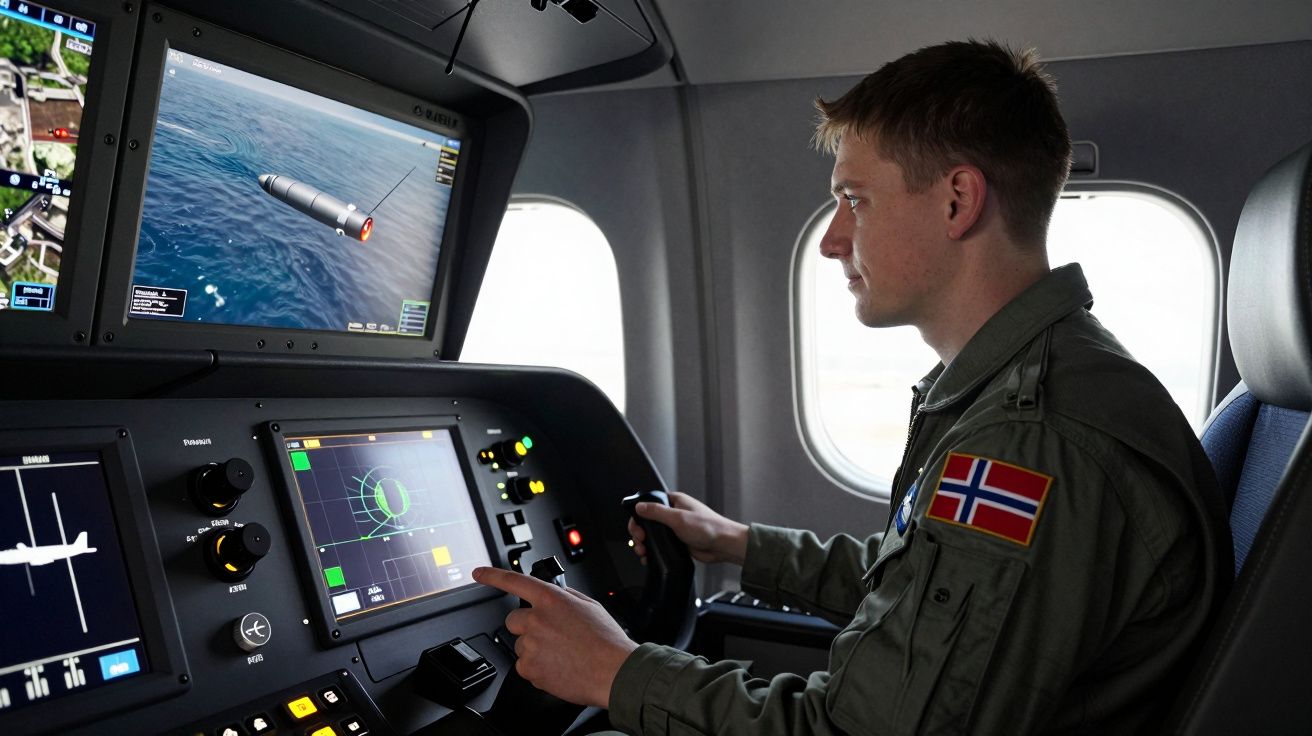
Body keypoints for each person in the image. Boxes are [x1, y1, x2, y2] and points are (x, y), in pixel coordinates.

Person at [473, 39, 1231, 734]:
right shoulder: (1030, 386)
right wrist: (740, 546)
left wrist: (616, 671)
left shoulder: (1031, 441)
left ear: (958, 201)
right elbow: (929, 590)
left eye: (856, 199)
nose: (834, 238)